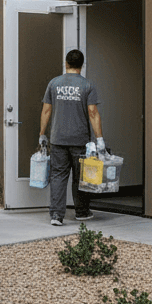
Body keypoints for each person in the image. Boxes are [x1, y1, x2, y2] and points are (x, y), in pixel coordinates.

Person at [39, 48, 105, 226]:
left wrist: (42, 134)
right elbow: (92, 112)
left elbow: (46, 110)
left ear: (66, 63)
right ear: (82, 66)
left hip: (58, 139)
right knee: (81, 177)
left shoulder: (54, 83)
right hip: (80, 140)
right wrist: (99, 139)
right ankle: (82, 213)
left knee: (58, 176)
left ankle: (56, 216)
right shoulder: (87, 85)